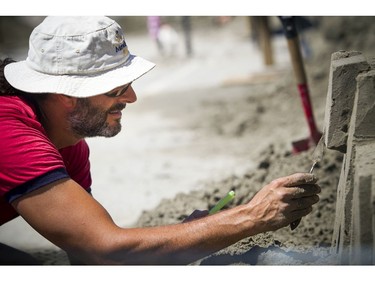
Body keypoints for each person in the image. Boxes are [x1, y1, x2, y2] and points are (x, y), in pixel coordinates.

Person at [0, 16, 320, 265]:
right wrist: (252, 216)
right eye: (116, 88)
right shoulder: (10, 132)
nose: (132, 97)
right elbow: (108, 251)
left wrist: (191, 236)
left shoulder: (71, 145)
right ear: (65, 95)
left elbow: (89, 255)